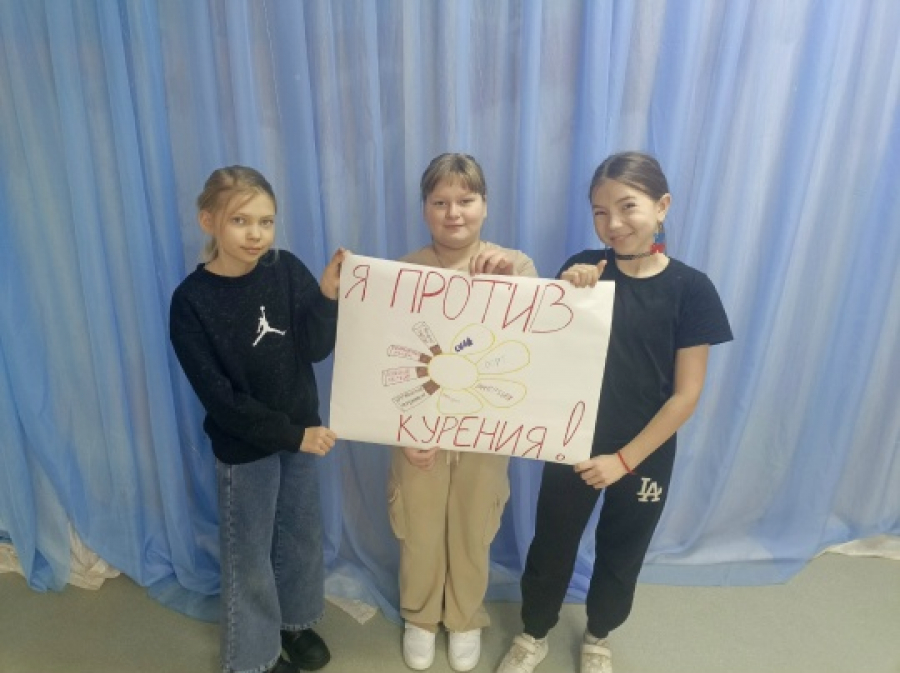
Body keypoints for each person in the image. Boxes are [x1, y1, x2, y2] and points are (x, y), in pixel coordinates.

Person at [497, 152, 733, 673]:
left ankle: (599, 636)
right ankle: (533, 633)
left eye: (628, 207)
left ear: (662, 206)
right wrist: (566, 292)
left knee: (623, 550)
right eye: (600, 212)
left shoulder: (692, 289)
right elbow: (543, 351)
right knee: (552, 544)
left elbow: (686, 396)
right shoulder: (585, 268)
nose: (614, 223)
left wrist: (623, 461)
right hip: (572, 439)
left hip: (644, 451)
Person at [169, 166, 346, 673]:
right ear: (209, 221)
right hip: (248, 448)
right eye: (240, 220)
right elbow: (221, 400)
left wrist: (327, 297)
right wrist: (293, 435)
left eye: (266, 222)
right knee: (249, 556)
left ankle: (295, 624)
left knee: (299, 537)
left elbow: (314, 347)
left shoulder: (285, 269)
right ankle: (253, 659)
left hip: (302, 436)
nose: (255, 234)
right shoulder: (191, 301)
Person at [389, 153, 539, 672]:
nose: (453, 212)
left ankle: (464, 616)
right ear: (425, 209)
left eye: (466, 200)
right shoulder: (404, 272)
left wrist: (510, 288)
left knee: (476, 523)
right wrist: (405, 432)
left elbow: (533, 350)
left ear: (485, 205)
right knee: (419, 523)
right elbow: (392, 363)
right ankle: (419, 615)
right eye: (440, 202)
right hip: (419, 430)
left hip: (485, 431)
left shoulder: (514, 266)